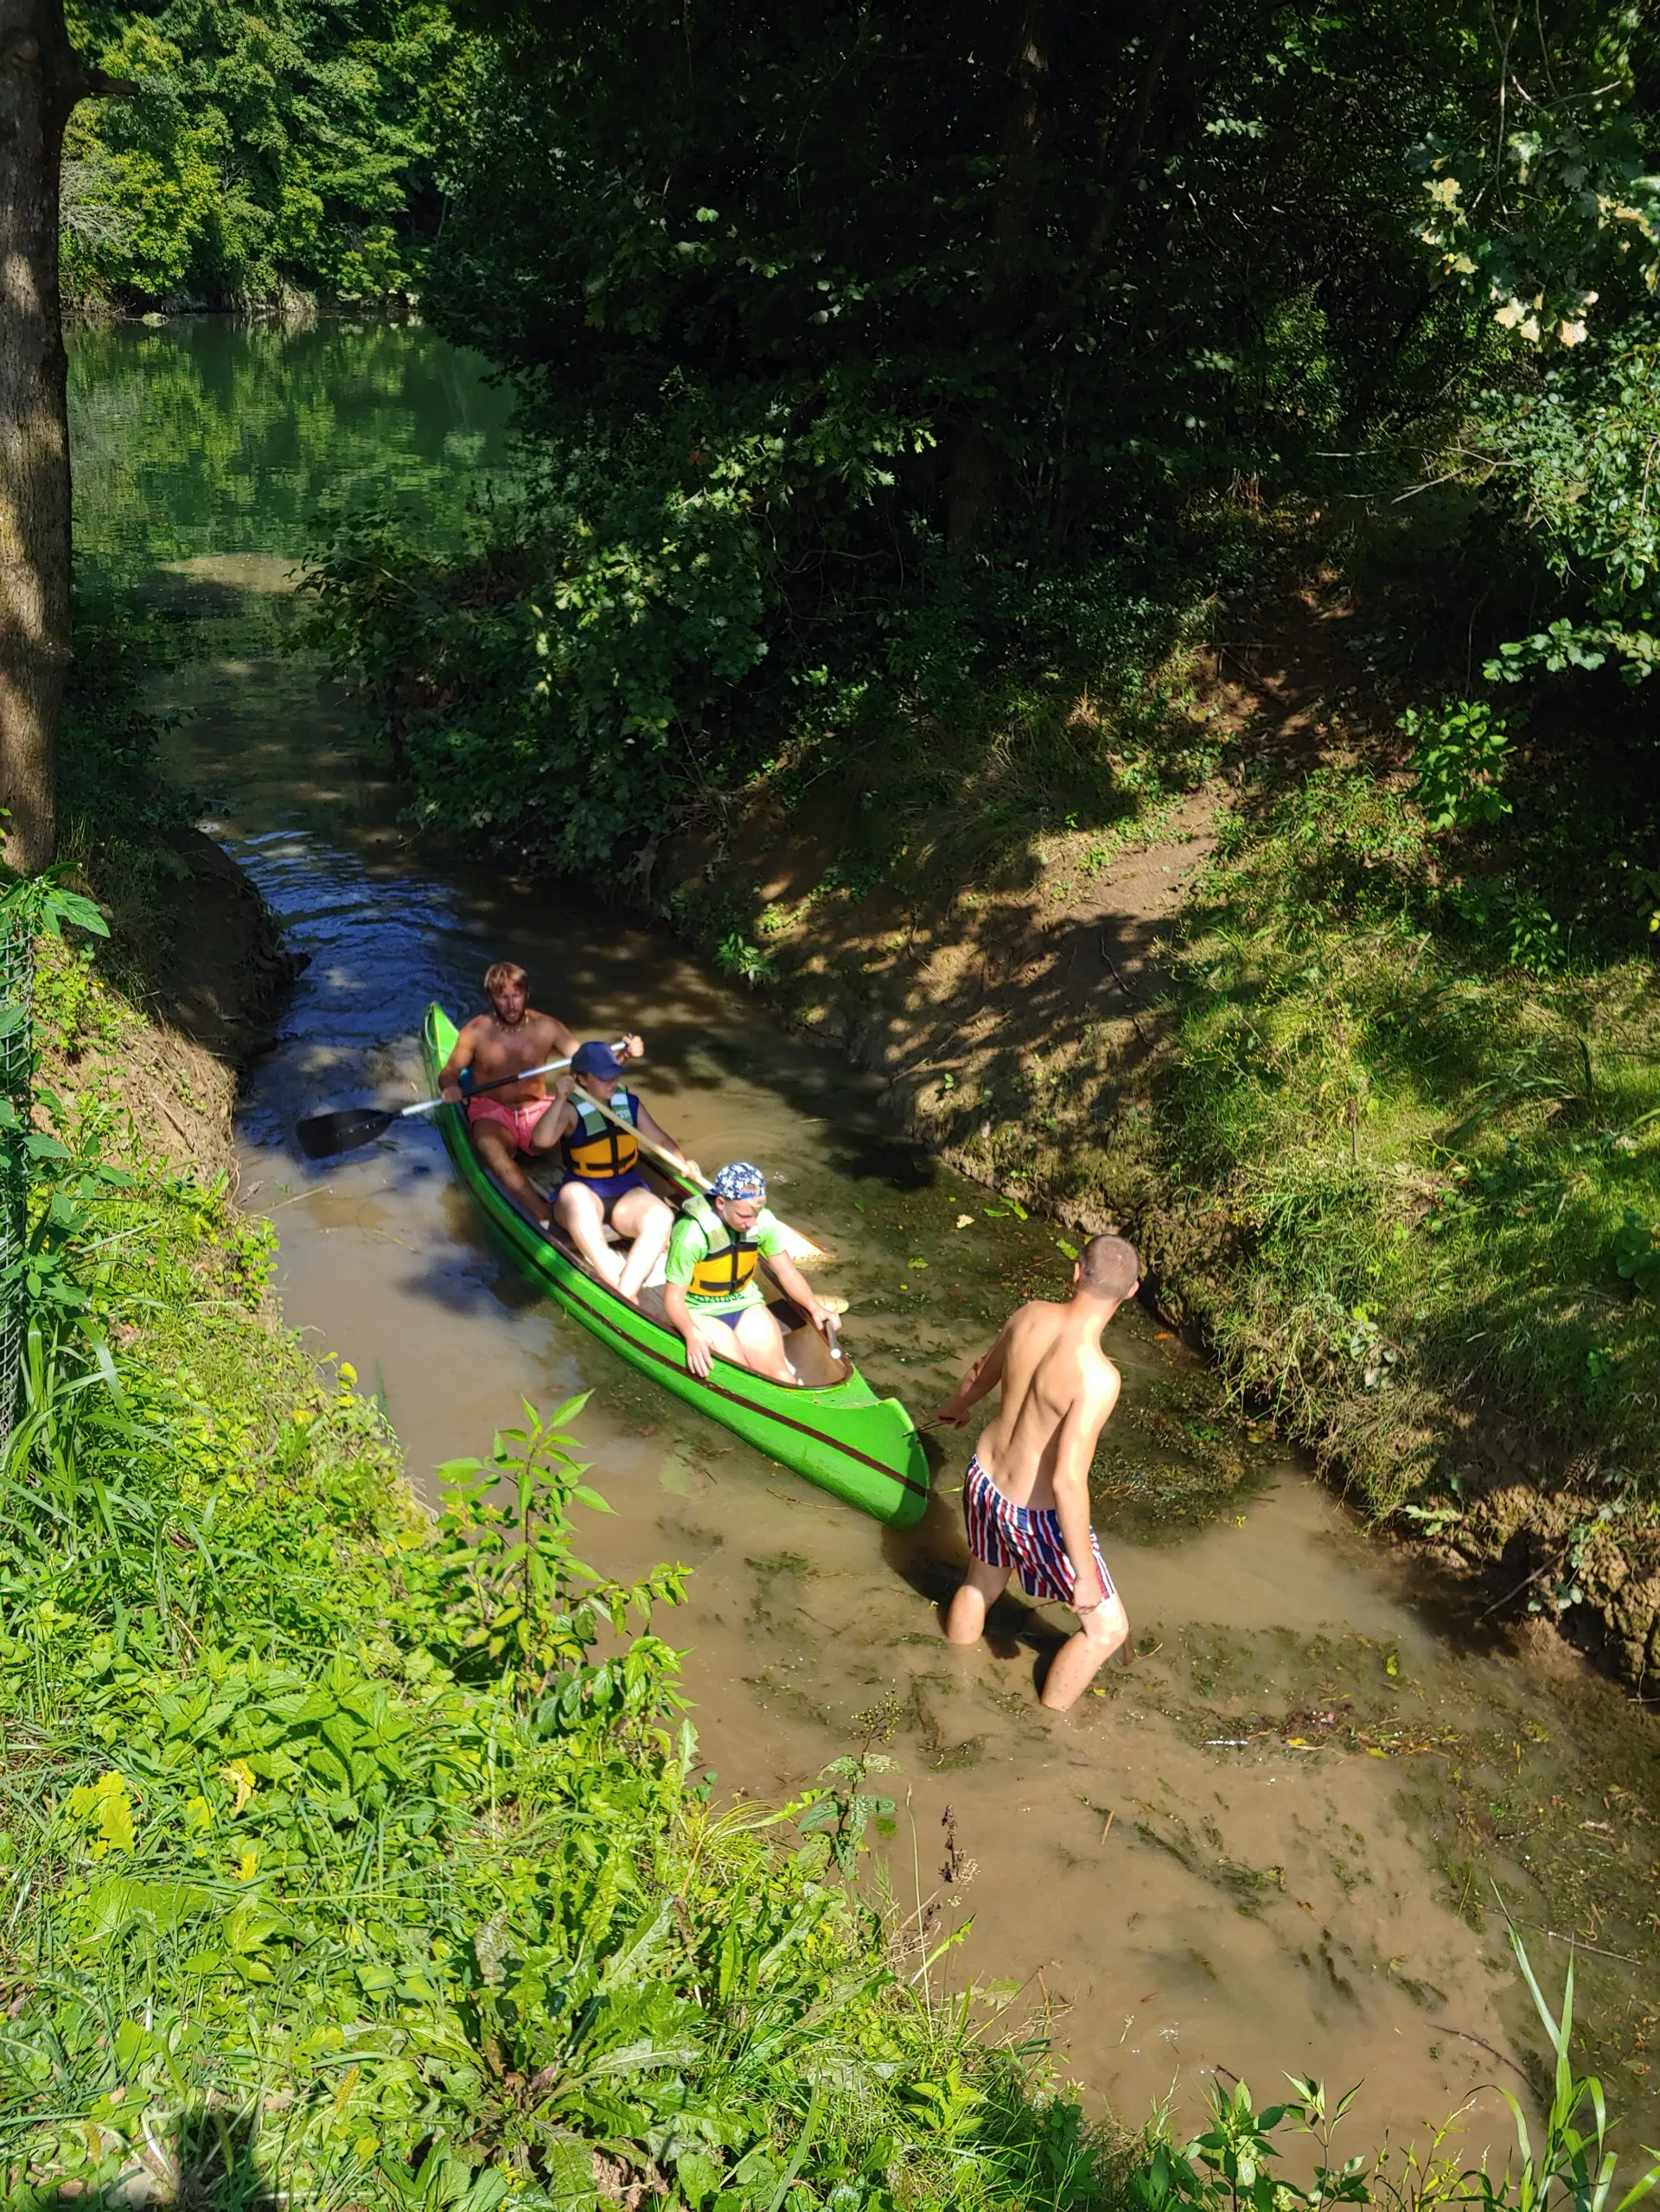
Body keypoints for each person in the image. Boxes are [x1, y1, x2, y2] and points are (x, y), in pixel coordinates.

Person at [931, 1234, 1139, 1712]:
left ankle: (948, 1681)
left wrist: (956, 1407)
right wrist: (1083, 1575)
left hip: (984, 1477)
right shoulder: (1098, 1377)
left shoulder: (1029, 1315)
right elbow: (1068, 1479)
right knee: (1108, 1631)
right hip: (1031, 1511)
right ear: (1130, 1294)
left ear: (1076, 1272)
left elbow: (982, 1372)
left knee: (982, 1581)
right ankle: (1047, 1728)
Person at [437, 961, 642, 1223]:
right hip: (493, 1114)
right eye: (503, 997)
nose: (511, 1004)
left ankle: (605, 1190)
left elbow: (591, 1065)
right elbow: (449, 1072)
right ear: (491, 998)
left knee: (583, 1116)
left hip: (539, 1113)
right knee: (488, 1143)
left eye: (516, 995)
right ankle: (542, 1214)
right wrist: (451, 1087)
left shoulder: (547, 1027)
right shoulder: (476, 1031)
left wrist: (623, 1054)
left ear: (527, 994)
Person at [527, 1040, 703, 1297]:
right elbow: (540, 1141)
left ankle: (625, 1292)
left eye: (615, 1075)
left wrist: (681, 1161)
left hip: (627, 1194)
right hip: (585, 1192)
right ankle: (612, 1281)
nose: (612, 1082)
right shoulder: (569, 1109)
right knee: (576, 1198)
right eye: (603, 1077)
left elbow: (662, 1141)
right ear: (581, 1079)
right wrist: (559, 1099)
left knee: (662, 1216)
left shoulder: (629, 1103)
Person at [662, 1161, 834, 1386]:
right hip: (700, 1311)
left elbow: (787, 1272)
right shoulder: (691, 1234)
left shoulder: (762, 1223)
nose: (751, 1223)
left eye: (756, 1213)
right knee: (740, 1376)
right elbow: (673, 1299)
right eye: (744, 1216)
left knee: (780, 1375)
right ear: (721, 1203)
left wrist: (814, 1307)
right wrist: (691, 1333)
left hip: (745, 1303)